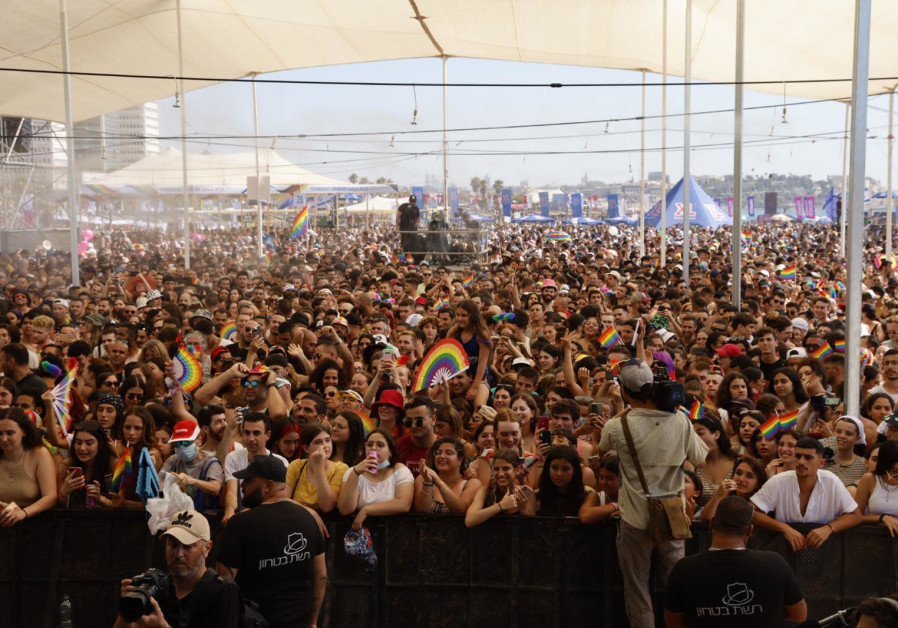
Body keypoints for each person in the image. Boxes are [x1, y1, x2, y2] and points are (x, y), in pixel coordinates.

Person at [597, 359, 709, 628]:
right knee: (676, 588)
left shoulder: (618, 425)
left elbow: (602, 447)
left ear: (624, 390)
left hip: (635, 518)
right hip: (673, 514)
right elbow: (700, 457)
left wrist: (621, 409)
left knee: (637, 590)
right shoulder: (680, 420)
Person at [217, 455, 327, 628]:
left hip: (255, 621)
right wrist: (313, 622)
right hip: (300, 621)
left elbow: (225, 583)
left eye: (249, 480)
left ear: (268, 485)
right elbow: (320, 576)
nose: (242, 485)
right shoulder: (310, 518)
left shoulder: (240, 523)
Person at [664, 496, 807, 627]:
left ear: (712, 523)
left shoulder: (684, 568)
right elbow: (799, 616)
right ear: (750, 530)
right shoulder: (775, 563)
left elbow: (673, 623)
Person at [113, 509, 242, 628]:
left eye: (187, 546)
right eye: (173, 545)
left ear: (207, 548)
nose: (179, 554)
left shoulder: (222, 591)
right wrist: (127, 609)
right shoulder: (159, 589)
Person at [750, 437, 862, 551]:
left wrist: (829, 528)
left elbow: (856, 516)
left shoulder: (832, 481)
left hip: (824, 552)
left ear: (821, 463)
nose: (801, 462)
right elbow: (750, 511)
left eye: (808, 457)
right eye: (798, 456)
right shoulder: (778, 481)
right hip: (784, 550)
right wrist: (783, 527)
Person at [337, 428, 414, 529]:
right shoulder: (353, 471)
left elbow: (404, 504)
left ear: (390, 452)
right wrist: (355, 473)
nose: (373, 448)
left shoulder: (399, 470)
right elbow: (345, 509)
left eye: (380, 445)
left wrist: (366, 510)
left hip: (393, 532)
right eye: (369, 444)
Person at [0, 406, 57, 524]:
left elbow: (50, 496)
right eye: (0, 433)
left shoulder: (39, 454)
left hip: (33, 526)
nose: (4, 439)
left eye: (10, 433)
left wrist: (23, 513)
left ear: (24, 432)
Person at [160, 420, 223, 511]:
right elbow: (158, 483)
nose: (181, 447)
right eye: (177, 443)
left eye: (186, 442)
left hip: (203, 515)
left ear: (199, 441)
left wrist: (191, 481)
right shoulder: (173, 460)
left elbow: (215, 488)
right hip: (176, 513)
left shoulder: (210, 462)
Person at [285, 424, 348, 513]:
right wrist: (311, 512)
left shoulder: (340, 468)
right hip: (296, 518)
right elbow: (284, 499)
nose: (325, 445)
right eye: (318, 442)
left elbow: (327, 506)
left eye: (327, 440)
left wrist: (318, 467)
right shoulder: (297, 465)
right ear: (306, 448)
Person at [413, 437, 481, 514]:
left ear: (460, 459)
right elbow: (421, 511)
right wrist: (428, 482)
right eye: (438, 452)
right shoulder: (423, 478)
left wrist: (438, 481)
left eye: (449, 453)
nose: (442, 456)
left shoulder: (472, 483)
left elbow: (461, 509)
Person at [854, 440, 898, 537]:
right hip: (874, 537)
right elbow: (855, 517)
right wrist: (882, 518)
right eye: (894, 471)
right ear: (884, 465)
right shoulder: (869, 479)